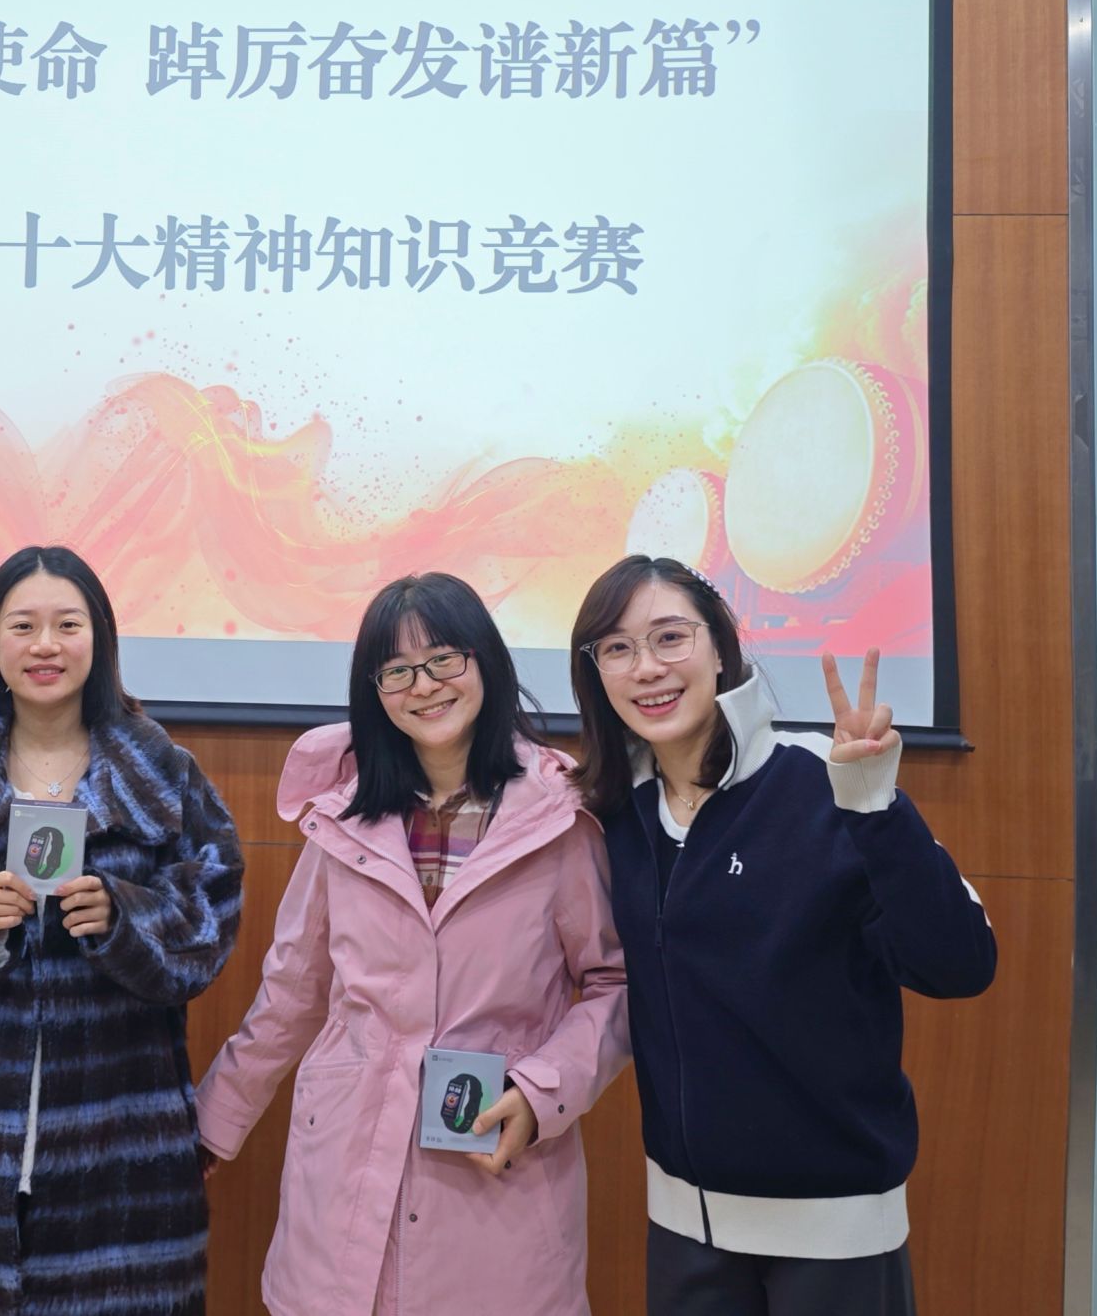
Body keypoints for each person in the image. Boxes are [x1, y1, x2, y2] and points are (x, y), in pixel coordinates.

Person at [568, 553, 996, 1314]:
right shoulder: (615, 813)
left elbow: (959, 964)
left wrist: (876, 807)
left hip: (836, 1228)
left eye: (670, 637)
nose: (647, 668)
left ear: (720, 646)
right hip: (684, 1224)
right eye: (618, 648)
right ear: (596, 671)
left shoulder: (823, 779)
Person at [195, 571, 628, 1316]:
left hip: (491, 1165)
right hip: (345, 1171)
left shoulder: (558, 819)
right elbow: (291, 994)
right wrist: (210, 1126)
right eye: (396, 670)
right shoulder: (342, 822)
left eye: (443, 659)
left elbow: (613, 983)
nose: (423, 685)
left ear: (485, 661)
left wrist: (541, 1090)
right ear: (375, 691)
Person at [0, 544, 244, 1316]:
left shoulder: (166, 778)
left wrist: (123, 916)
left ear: (100, 639)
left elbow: (210, 921)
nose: (45, 645)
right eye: (22, 625)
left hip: (122, 1138)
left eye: (68, 624)